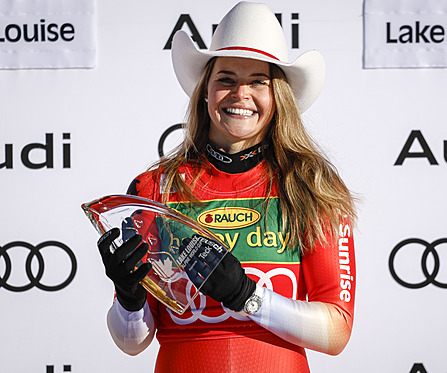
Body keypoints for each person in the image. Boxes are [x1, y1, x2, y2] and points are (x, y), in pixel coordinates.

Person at [96, 2, 357, 372]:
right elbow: (132, 342)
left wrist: (247, 296)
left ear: (277, 96)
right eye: (226, 79)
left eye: (257, 82)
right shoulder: (154, 187)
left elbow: (337, 329)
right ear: (205, 91)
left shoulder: (312, 185)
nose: (240, 94)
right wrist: (129, 296)